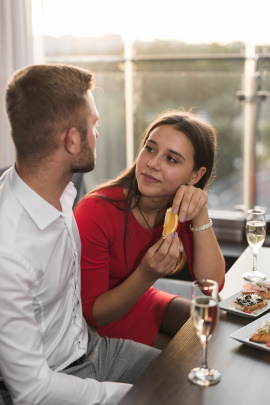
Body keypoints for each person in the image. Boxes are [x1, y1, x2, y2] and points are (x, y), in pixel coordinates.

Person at [0, 64, 160, 405]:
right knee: (170, 394)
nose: (98, 134)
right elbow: (33, 391)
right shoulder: (9, 252)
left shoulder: (57, 192)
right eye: (94, 124)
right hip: (51, 383)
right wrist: (134, 396)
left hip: (91, 348)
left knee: (191, 377)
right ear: (72, 139)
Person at [74, 110, 226, 349]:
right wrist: (147, 274)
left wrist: (200, 212)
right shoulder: (95, 211)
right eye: (150, 148)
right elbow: (94, 314)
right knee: (185, 360)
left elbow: (211, 284)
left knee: (218, 327)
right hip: (102, 321)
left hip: (142, 301)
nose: (152, 164)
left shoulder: (177, 206)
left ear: (195, 175)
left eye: (171, 159)